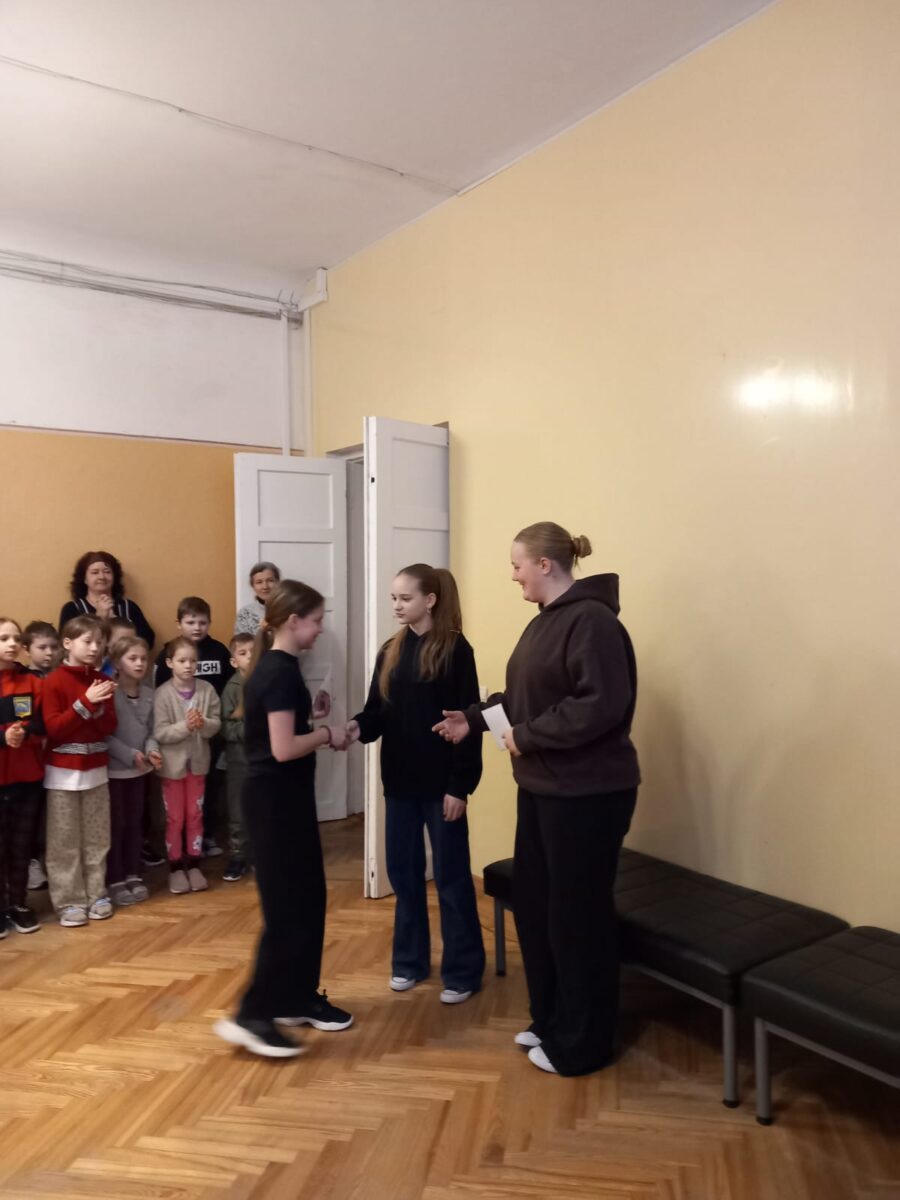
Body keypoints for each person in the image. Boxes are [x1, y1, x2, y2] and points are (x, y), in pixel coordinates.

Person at [434, 522, 640, 1077]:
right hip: (545, 789)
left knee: (577, 917)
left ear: (545, 564)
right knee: (540, 907)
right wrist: (474, 719)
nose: (513, 575)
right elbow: (524, 698)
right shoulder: (545, 621)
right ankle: (551, 1019)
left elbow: (600, 705)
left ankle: (584, 1044)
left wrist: (528, 736)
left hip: (589, 795)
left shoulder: (592, 621)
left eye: (517, 564)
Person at [214, 580, 352, 1058]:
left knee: (309, 899)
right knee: (287, 909)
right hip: (273, 806)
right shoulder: (276, 671)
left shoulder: (283, 669)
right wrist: (328, 733)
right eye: (316, 620)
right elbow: (283, 748)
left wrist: (311, 719)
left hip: (288, 802)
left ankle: (296, 997)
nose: (320, 629)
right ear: (293, 621)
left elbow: (285, 730)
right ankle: (253, 1015)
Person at [347, 563, 485, 1003]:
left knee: (451, 879)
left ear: (430, 600)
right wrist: (354, 727)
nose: (397, 605)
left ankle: (463, 971)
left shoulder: (456, 650)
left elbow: (469, 722)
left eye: (405, 598)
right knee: (404, 877)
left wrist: (459, 787)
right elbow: (377, 712)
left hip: (442, 787)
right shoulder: (390, 650)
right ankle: (409, 962)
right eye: (393, 598)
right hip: (400, 784)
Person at [42, 615, 118, 927]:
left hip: (97, 772)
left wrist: (98, 708)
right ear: (67, 643)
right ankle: (69, 901)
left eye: (99, 642)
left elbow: (109, 726)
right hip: (62, 775)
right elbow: (54, 728)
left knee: (97, 839)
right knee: (64, 842)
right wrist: (86, 703)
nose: (94, 647)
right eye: (87, 641)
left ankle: (96, 893)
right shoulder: (53, 681)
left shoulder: (101, 680)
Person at [154, 596, 231, 857]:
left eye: (202, 622)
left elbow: (227, 689)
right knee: (177, 810)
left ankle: (205, 837)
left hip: (207, 740)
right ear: (179, 624)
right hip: (174, 750)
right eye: (190, 622)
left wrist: (209, 723)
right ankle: (178, 852)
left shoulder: (219, 651)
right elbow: (160, 694)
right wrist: (183, 725)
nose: (197, 627)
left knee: (209, 790)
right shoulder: (166, 654)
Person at [153, 637, 221, 895]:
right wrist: (186, 726)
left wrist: (203, 724)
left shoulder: (207, 690)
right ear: (170, 663)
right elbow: (160, 732)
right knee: (175, 818)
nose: (188, 665)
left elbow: (216, 725)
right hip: (172, 769)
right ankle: (175, 868)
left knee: (195, 815)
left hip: (199, 766)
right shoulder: (162, 694)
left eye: (193, 661)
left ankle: (194, 863)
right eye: (182, 660)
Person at [105, 636, 160, 905]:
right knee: (117, 825)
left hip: (140, 772)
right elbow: (104, 735)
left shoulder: (150, 694)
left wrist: (151, 751)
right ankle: (115, 878)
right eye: (132, 658)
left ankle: (133, 873)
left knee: (135, 823)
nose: (139, 663)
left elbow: (152, 731)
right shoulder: (108, 692)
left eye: (143, 658)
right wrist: (130, 755)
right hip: (115, 772)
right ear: (117, 662)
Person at [0, 618, 45, 935]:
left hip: (27, 778)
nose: (12, 644)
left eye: (16, 638)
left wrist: (24, 732)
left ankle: (18, 903)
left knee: (21, 845)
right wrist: (3, 737)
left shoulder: (32, 681)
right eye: (4, 638)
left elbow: (42, 723)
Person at [21, 620, 59, 892]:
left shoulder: (59, 676)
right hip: (32, 758)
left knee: (55, 816)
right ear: (27, 649)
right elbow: (23, 720)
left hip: (59, 758)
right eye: (42, 647)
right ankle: (31, 861)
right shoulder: (23, 680)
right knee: (32, 816)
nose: (49, 653)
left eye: (53, 647)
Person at [59, 551, 155, 649]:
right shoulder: (72, 609)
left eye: (107, 572)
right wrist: (100, 618)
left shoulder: (128, 607)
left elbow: (148, 640)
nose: (102, 577)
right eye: (95, 572)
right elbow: (65, 645)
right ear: (85, 579)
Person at [221, 632, 253, 881]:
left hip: (264, 759)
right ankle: (238, 855)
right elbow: (226, 727)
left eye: (254, 652)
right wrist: (250, 728)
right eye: (243, 653)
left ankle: (259, 853)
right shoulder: (231, 689)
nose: (250, 657)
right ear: (234, 661)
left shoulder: (267, 681)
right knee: (238, 810)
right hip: (239, 760)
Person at [234, 562, 281, 637]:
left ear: (278, 583)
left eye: (270, 581)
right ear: (252, 585)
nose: (265, 587)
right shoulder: (245, 614)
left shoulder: (290, 609)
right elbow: (240, 642)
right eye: (259, 582)